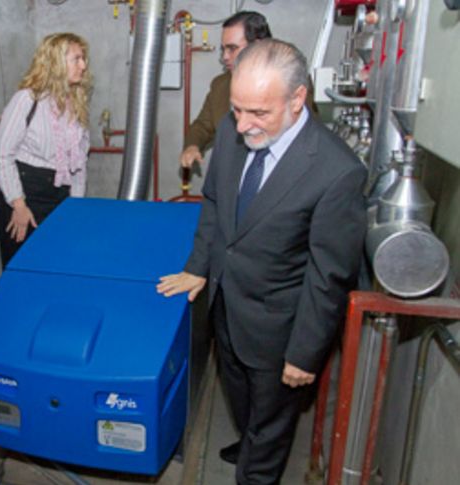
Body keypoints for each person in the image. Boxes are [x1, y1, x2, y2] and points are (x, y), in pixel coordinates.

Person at [157, 39, 366, 484]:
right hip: (228, 315)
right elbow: (213, 206)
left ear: (297, 99)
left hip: (280, 334)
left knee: (269, 437)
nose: (244, 125)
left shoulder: (337, 171)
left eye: (259, 113)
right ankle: (250, 444)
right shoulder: (237, 138)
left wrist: (304, 353)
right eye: (237, 110)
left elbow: (329, 277)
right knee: (247, 410)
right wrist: (199, 267)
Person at [0, 32, 91, 267]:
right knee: (23, 269)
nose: (83, 65)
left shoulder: (75, 104)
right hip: (25, 194)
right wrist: (18, 205)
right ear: (56, 62)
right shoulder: (26, 99)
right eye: (76, 59)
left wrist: (75, 207)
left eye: (83, 58)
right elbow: (2, 157)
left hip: (59, 197)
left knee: (58, 266)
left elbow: (79, 164)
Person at [179, 11, 272, 168]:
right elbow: (203, 125)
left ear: (258, 46)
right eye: (223, 49)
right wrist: (192, 146)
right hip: (230, 180)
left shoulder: (289, 83)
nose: (225, 57)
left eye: (232, 48)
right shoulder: (220, 86)